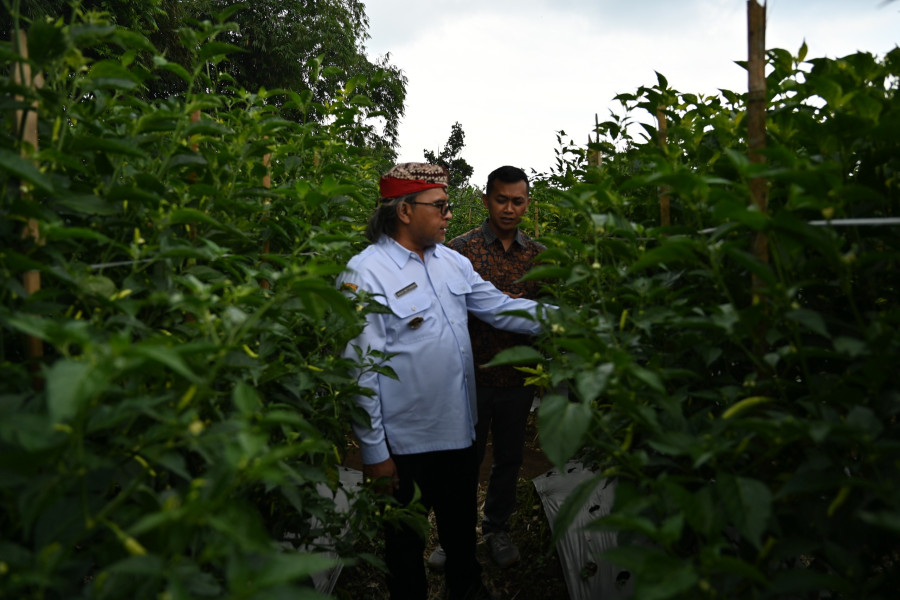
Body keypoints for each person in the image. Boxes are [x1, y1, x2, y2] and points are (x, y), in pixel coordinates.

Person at [338, 163, 550, 600]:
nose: (449, 214)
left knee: (459, 538)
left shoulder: (452, 262)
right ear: (404, 211)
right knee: (404, 549)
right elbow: (359, 369)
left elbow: (500, 307)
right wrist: (376, 455)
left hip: (458, 434)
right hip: (405, 444)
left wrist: (575, 325)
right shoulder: (366, 274)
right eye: (440, 205)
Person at [435, 165, 546, 569]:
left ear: (527, 204)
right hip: (470, 378)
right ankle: (454, 534)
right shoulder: (459, 251)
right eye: (501, 199)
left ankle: (496, 528)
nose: (509, 208)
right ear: (486, 200)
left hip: (518, 379)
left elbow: (551, 313)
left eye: (518, 201)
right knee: (463, 457)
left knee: (509, 457)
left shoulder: (539, 257)